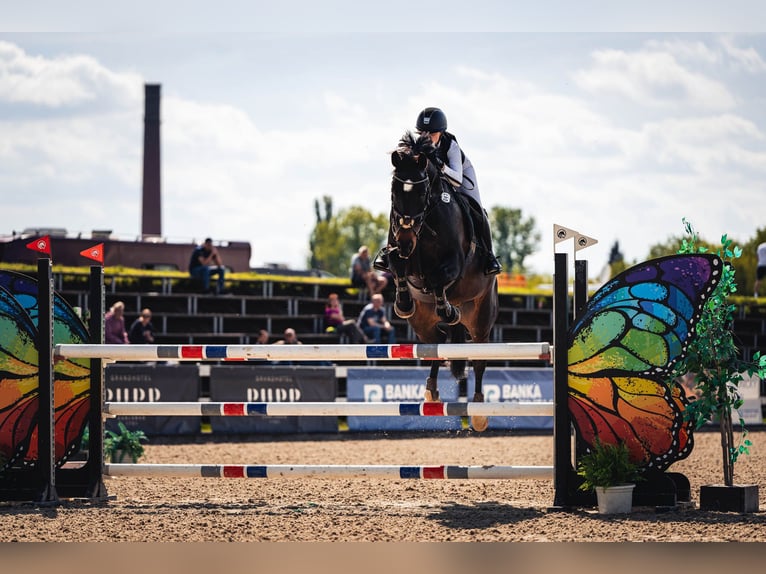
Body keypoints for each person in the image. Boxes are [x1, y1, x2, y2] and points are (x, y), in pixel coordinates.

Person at [374, 107, 502, 276]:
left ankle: (488, 255)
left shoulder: (451, 146)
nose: (427, 137)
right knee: (401, 205)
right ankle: (389, 248)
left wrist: (440, 164)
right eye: (423, 132)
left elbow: (456, 179)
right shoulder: (415, 146)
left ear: (441, 133)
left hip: (460, 176)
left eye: (432, 133)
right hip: (435, 184)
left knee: (477, 209)